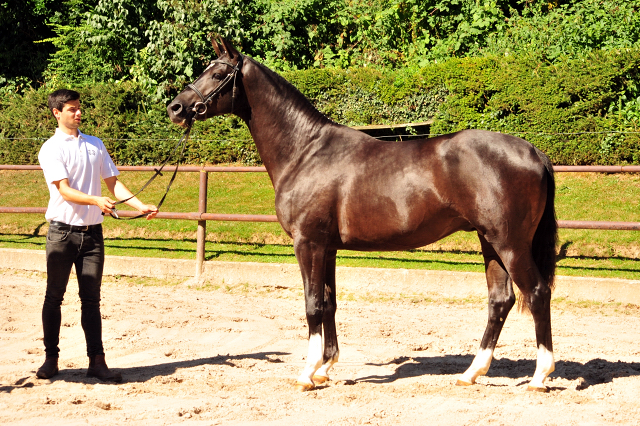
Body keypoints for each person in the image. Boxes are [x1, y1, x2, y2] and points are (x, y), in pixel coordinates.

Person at [36, 89, 158, 382]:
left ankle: (97, 361)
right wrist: (95, 200)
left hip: (93, 236)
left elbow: (113, 184)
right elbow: (63, 190)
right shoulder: (51, 148)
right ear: (57, 112)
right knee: (54, 297)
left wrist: (141, 206)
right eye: (71, 109)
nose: (78, 113)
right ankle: (51, 359)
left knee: (91, 300)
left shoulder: (95, 145)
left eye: (79, 108)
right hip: (62, 234)